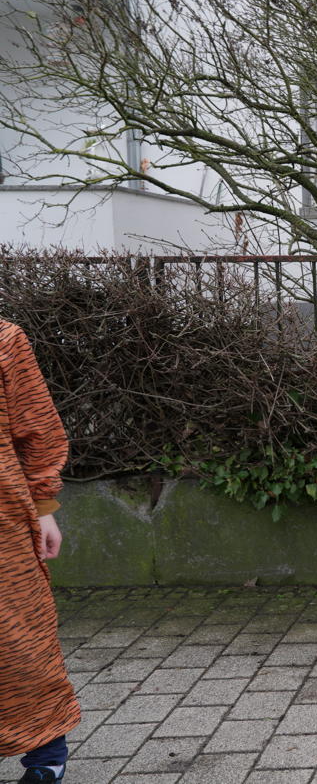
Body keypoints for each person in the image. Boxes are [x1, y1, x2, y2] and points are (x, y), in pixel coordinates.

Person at [0, 320, 80, 783]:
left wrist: (44, 504)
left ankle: (47, 753)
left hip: (4, 519)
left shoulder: (5, 339)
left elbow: (38, 428)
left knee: (19, 636)